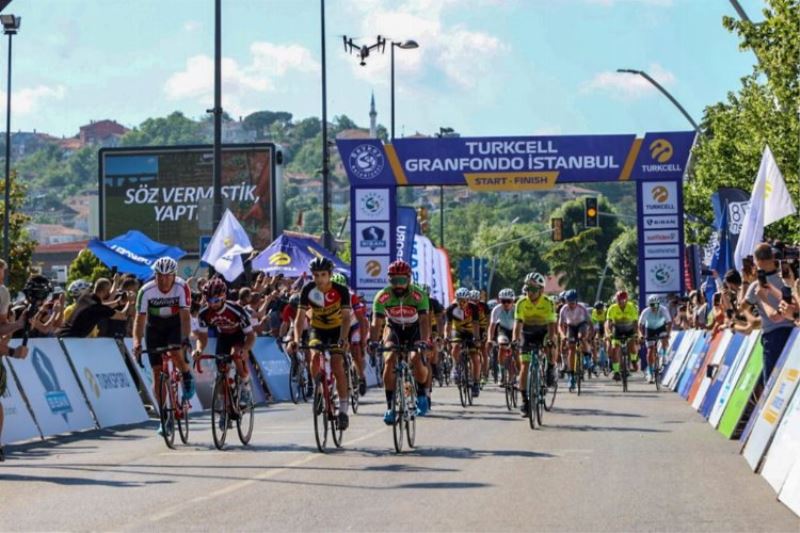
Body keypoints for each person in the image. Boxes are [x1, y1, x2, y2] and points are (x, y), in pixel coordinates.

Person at [288, 257, 352, 431]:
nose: (319, 279)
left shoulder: (341, 290)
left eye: (323, 275)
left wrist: (344, 338)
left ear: (330, 275)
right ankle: (319, 391)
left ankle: (343, 409)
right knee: (314, 356)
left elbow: (346, 318)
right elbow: (300, 318)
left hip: (337, 330)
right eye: (316, 275)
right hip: (318, 330)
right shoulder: (308, 289)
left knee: (337, 364)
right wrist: (296, 339)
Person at [132, 257, 195, 418]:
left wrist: (185, 338)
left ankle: (186, 373)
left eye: (168, 276)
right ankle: (164, 416)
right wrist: (137, 343)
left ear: (174, 276)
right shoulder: (146, 290)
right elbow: (139, 320)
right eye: (160, 276)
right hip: (154, 327)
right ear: (155, 275)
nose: (163, 280)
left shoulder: (182, 287)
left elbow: (185, 318)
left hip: (175, 323)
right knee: (156, 372)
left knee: (175, 351)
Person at [369, 260, 431, 421]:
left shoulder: (419, 295)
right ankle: (390, 406)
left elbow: (424, 321)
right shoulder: (383, 296)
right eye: (394, 280)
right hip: (394, 328)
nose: (398, 285)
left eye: (402, 280)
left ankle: (422, 393)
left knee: (415, 357)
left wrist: (424, 341)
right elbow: (376, 322)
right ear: (389, 280)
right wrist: (373, 341)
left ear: (409, 279)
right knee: (389, 358)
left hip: (414, 329)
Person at [193, 278, 256, 405]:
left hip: (239, 334)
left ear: (223, 298)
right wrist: (199, 349)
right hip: (223, 336)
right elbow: (202, 337)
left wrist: (245, 349)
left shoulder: (236, 310)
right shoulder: (204, 313)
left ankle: (245, 386)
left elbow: (251, 335)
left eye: (216, 300)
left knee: (236, 355)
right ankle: (224, 403)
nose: (213, 304)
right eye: (209, 301)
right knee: (222, 369)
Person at [744, 243, 795, 387]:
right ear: (773, 257)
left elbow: (775, 316)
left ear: (756, 261)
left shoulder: (756, 286)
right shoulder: (784, 278)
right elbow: (788, 303)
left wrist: (759, 296)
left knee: (772, 383)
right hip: (793, 332)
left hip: (774, 336)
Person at [513, 272, 557, 416]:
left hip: (543, 331)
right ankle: (525, 401)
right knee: (524, 366)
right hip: (527, 333)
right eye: (527, 288)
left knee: (551, 343)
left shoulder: (548, 302)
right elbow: (518, 324)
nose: (529, 292)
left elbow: (552, 324)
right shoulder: (521, 302)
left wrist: (550, 339)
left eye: (533, 289)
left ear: (541, 290)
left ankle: (550, 367)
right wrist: (515, 339)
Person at [331, 272, 369, 396]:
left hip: (353, 324)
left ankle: (361, 377)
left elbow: (362, 320)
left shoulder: (352, 297)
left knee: (356, 350)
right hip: (337, 326)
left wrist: (363, 341)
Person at [56, 278, 130, 338]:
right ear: (105, 291)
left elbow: (103, 306)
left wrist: (119, 302)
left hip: (62, 335)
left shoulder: (85, 297)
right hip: (71, 339)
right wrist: (130, 302)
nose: (109, 293)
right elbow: (123, 316)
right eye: (108, 291)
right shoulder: (97, 308)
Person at [445, 287, 481, 398]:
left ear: (468, 300)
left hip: (470, 332)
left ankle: (476, 382)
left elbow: (476, 324)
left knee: (475, 358)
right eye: (459, 300)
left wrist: (477, 338)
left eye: (464, 301)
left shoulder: (474, 307)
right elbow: (448, 325)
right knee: (456, 347)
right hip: (457, 331)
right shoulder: (451, 308)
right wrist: (446, 337)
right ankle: (455, 367)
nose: (462, 303)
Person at [558, 289, 591, 392]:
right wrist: (563, 336)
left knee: (581, 337)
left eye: (572, 303)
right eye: (568, 303)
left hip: (582, 324)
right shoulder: (563, 309)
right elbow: (560, 326)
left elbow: (590, 323)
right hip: (571, 326)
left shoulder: (582, 308)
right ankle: (571, 376)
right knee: (571, 348)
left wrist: (589, 336)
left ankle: (587, 357)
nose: (571, 305)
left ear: (576, 301)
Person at [605, 290, 639, 381]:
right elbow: (609, 323)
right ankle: (616, 372)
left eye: (623, 300)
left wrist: (636, 333)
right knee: (615, 349)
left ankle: (633, 360)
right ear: (616, 300)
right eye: (619, 300)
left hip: (629, 329)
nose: (621, 302)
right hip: (618, 329)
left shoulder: (632, 307)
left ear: (626, 300)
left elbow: (635, 322)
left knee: (632, 345)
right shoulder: (612, 308)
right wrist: (609, 333)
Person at [638, 295, 672, 383]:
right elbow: (640, 325)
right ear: (649, 305)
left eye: (656, 305)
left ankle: (664, 355)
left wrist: (668, 334)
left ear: (659, 304)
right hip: (650, 329)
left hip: (661, 327)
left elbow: (669, 322)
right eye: (652, 305)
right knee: (650, 351)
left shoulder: (663, 309)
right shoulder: (646, 311)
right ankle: (650, 373)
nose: (654, 307)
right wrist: (641, 335)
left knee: (664, 337)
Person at [488, 288, 516, 386]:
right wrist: (489, 339)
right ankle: (502, 372)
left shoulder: (516, 309)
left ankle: (513, 375)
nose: (506, 304)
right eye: (503, 301)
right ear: (500, 301)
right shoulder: (497, 309)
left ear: (513, 301)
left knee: (517, 352)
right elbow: (492, 326)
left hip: (515, 330)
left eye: (509, 301)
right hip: (503, 329)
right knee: (502, 346)